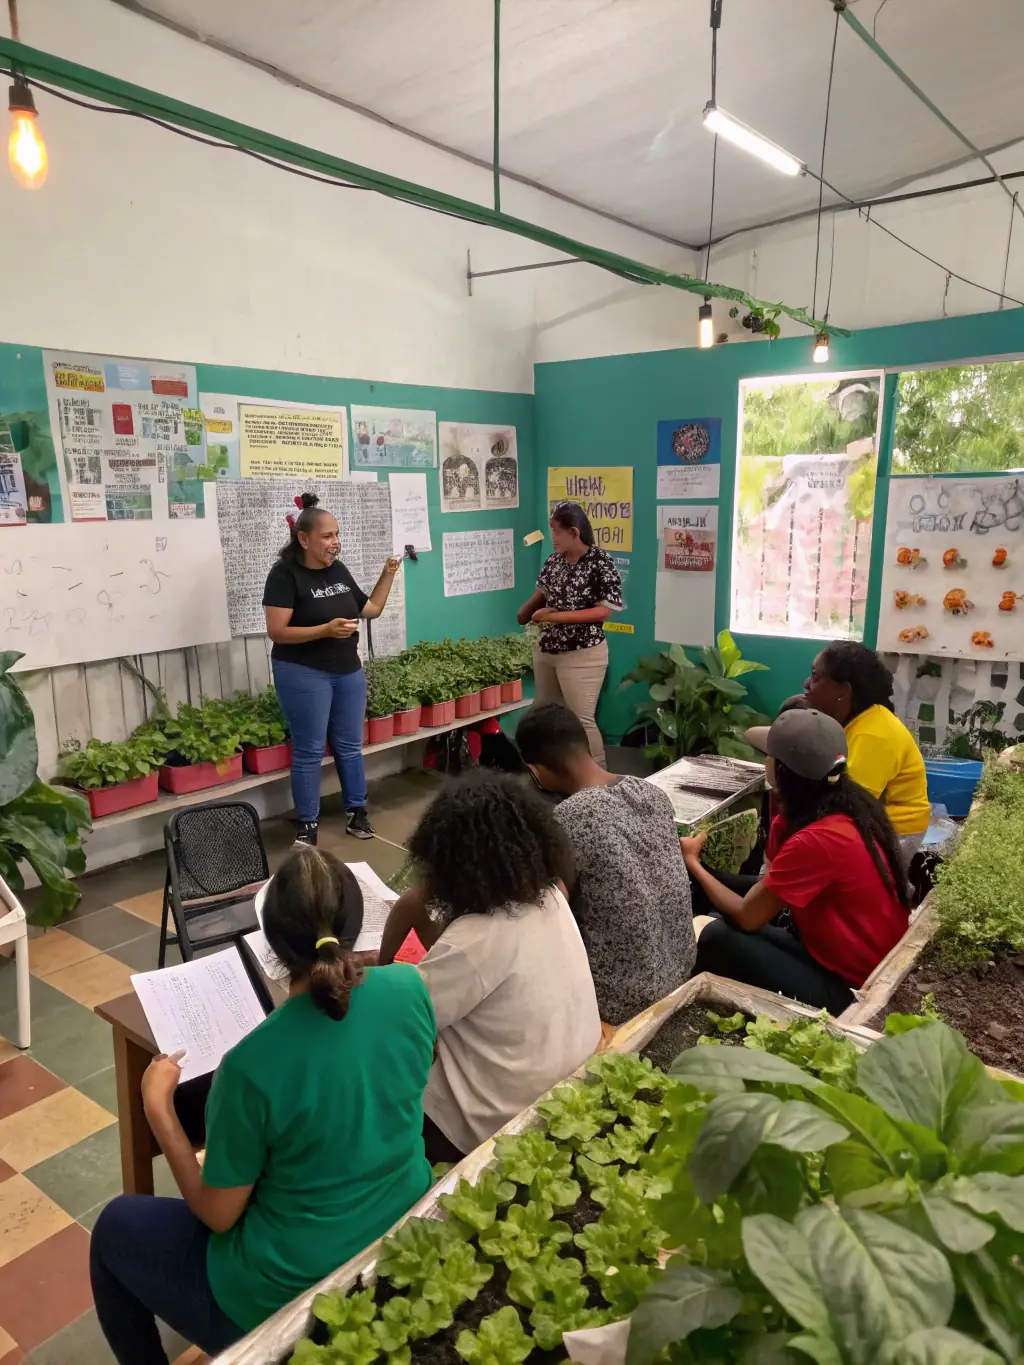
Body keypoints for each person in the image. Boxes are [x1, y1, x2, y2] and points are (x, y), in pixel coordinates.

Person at [90, 847, 435, 1365]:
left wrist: (159, 1109)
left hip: (287, 1294)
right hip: (398, 1234)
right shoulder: (409, 987)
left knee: (115, 1228)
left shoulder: (251, 1065)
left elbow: (218, 1215)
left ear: (270, 944)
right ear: (356, 925)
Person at [383, 769, 601, 1164]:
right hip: (564, 1092)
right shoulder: (549, 895)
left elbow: (397, 1022)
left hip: (490, 1129)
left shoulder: (473, 940)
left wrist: (401, 916)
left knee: (377, 1078)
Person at [683, 708, 910, 1015]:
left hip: (852, 993)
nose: (763, 760)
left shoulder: (818, 840)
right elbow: (769, 888)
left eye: (768, 755)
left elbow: (748, 916)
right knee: (721, 904)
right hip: (845, 961)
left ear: (783, 771)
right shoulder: (849, 809)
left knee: (716, 937)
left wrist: (692, 861)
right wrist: (705, 873)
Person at [515, 702, 695, 1026]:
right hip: (680, 975)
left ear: (536, 773)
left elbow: (552, 912)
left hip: (619, 1005)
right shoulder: (653, 793)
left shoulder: (570, 818)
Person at [263, 492, 402, 845]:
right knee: (309, 749)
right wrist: (324, 630)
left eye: (337, 535)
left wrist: (388, 573)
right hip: (303, 672)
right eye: (327, 536)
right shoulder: (284, 576)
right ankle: (308, 824)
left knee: (349, 745)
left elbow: (369, 609)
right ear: (304, 538)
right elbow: (277, 631)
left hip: (347, 670)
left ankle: (357, 813)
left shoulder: (338, 571)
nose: (335, 543)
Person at [802, 641, 930, 862]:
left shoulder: (873, 734)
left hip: (893, 834)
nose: (806, 684)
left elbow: (848, 807)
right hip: (873, 825)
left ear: (843, 690)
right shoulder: (859, 720)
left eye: (815, 676)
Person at [517, 502, 623, 766]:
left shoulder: (601, 562)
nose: (551, 537)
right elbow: (541, 596)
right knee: (544, 713)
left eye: (555, 531)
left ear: (574, 532)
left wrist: (553, 617)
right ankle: (549, 772)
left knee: (580, 719)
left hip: (583, 654)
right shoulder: (553, 561)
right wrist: (528, 612)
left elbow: (603, 612)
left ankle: (599, 780)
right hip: (547, 650)